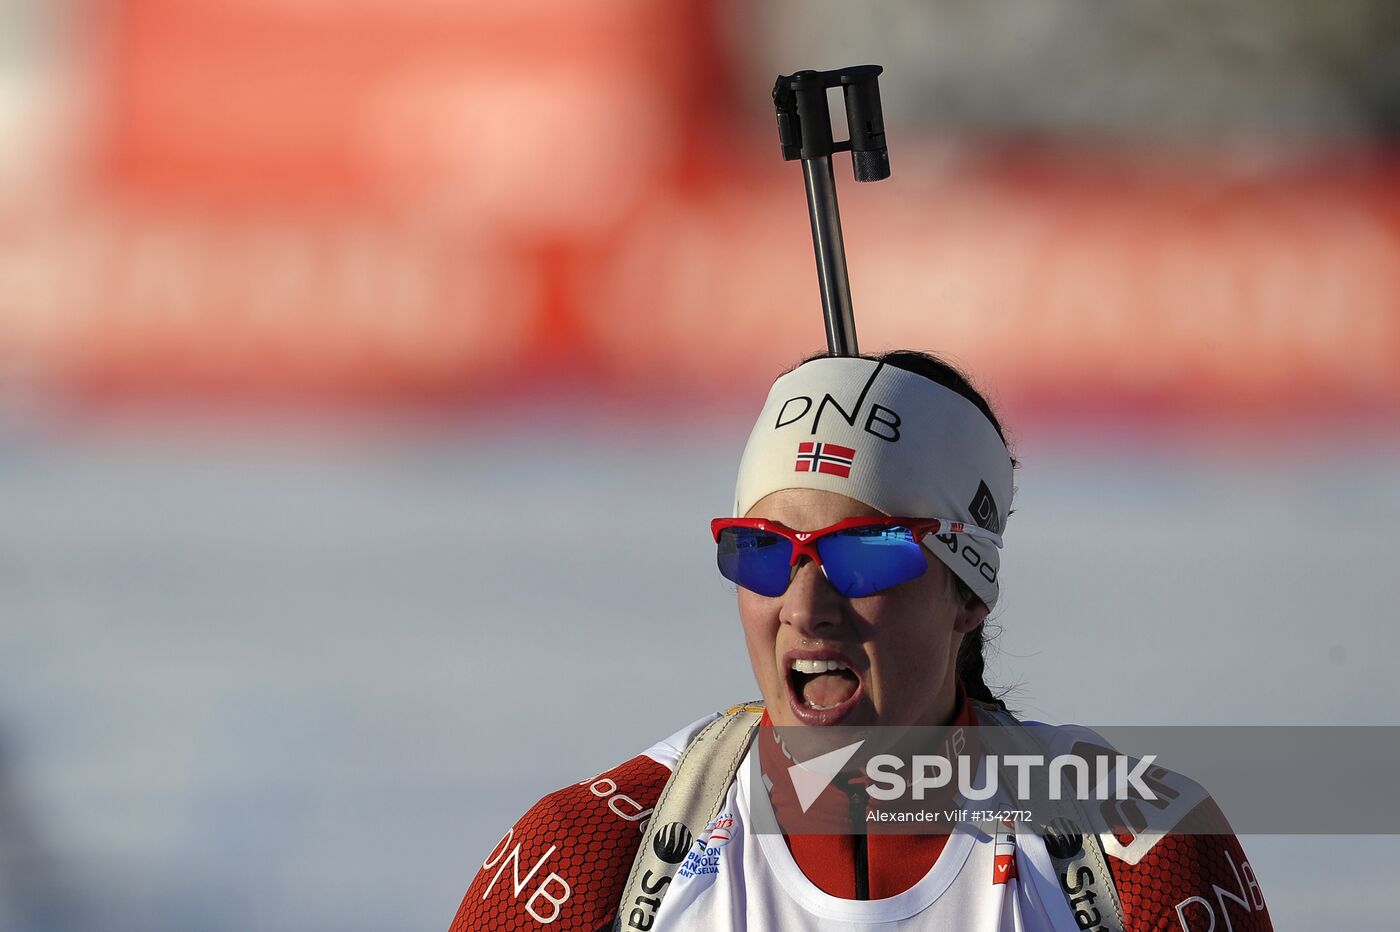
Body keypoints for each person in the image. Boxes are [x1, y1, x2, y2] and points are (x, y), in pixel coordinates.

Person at [449, 350, 1273, 931]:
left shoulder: (1142, 855)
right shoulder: (583, 861)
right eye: (764, 551)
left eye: (863, 555)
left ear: (968, 595)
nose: (806, 608)